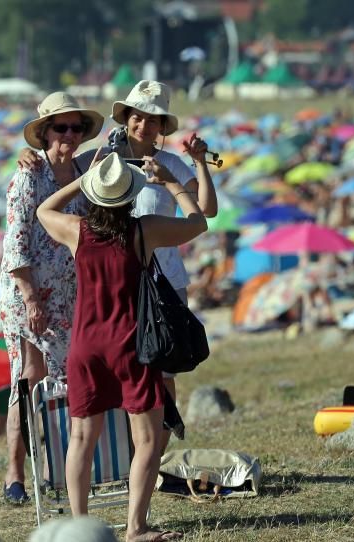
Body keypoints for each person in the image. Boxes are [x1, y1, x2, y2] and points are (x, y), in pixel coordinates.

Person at [18, 81, 218, 441]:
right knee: (127, 374)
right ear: (126, 119)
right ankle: (136, 454)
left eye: (154, 120)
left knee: (162, 373)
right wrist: (29, 154)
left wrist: (197, 165)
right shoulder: (101, 162)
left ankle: (156, 453)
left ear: (162, 127)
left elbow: (206, 210)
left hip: (164, 282)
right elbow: (59, 166)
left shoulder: (169, 164)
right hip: (118, 284)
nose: (145, 125)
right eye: (138, 117)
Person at [37, 152, 211, 542]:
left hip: (85, 348)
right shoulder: (143, 231)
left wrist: (81, 182)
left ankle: (79, 527)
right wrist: (170, 182)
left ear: (95, 196)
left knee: (81, 439)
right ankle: (135, 528)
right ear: (130, 196)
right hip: (131, 345)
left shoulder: (76, 231)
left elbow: (43, 210)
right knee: (147, 440)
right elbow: (198, 221)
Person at [0, 91, 104, 505]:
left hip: (69, 295)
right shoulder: (29, 175)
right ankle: (15, 473)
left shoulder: (84, 172)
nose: (70, 134)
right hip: (28, 293)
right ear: (44, 133)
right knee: (28, 378)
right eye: (61, 127)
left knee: (62, 381)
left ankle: (52, 468)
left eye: (76, 127)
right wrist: (30, 298)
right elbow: (16, 241)